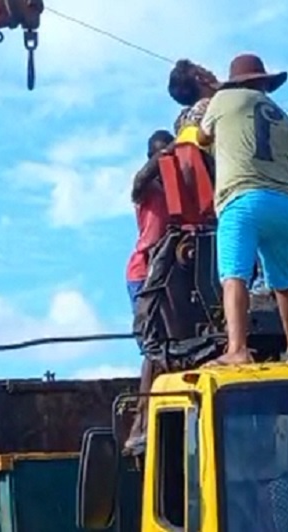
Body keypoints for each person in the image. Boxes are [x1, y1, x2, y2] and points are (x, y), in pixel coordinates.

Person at [197, 53, 288, 364]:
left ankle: (237, 350)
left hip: (242, 198)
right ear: (264, 84)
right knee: (284, 281)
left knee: (234, 275)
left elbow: (203, 136)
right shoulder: (284, 117)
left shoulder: (222, 99)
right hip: (285, 204)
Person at [123, 128, 174, 455]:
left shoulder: (178, 191)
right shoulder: (147, 189)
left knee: (171, 347)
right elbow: (139, 180)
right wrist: (168, 153)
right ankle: (140, 425)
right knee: (153, 348)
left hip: (168, 273)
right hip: (144, 274)